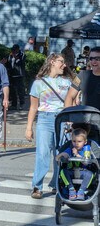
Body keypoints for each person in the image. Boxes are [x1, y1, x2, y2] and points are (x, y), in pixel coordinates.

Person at [25, 53, 74, 199]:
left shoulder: (67, 82)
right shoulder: (39, 83)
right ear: (52, 62)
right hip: (45, 120)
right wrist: (29, 127)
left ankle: (56, 184)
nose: (64, 65)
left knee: (61, 154)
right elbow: (33, 107)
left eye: (64, 62)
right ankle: (37, 186)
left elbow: (73, 100)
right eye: (61, 62)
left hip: (63, 120)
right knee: (42, 154)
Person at [56, 129, 95, 201]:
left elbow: (86, 162)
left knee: (90, 174)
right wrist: (60, 155)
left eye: (79, 141)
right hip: (71, 171)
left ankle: (81, 190)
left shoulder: (86, 150)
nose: (76, 144)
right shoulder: (71, 149)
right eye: (74, 141)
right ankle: (71, 189)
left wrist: (77, 154)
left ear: (85, 142)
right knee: (63, 172)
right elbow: (65, 154)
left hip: (83, 172)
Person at [5, 44, 26, 110]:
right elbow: (8, 63)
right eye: (12, 50)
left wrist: (16, 58)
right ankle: (14, 104)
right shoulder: (10, 55)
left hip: (19, 75)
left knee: (20, 90)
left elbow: (21, 63)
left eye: (14, 50)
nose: (13, 51)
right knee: (12, 90)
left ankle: (21, 104)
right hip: (12, 75)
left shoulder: (22, 54)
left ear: (18, 49)